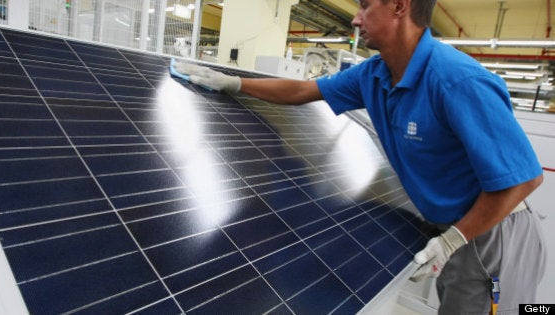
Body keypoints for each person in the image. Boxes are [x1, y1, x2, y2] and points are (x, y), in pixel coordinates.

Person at [173, 0, 546, 313]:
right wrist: (234, 83)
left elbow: (524, 178)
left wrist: (453, 240)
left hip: (489, 233)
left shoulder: (457, 81)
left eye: (366, 6)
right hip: (455, 228)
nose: (355, 18)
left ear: (399, 6)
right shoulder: (376, 74)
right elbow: (303, 89)